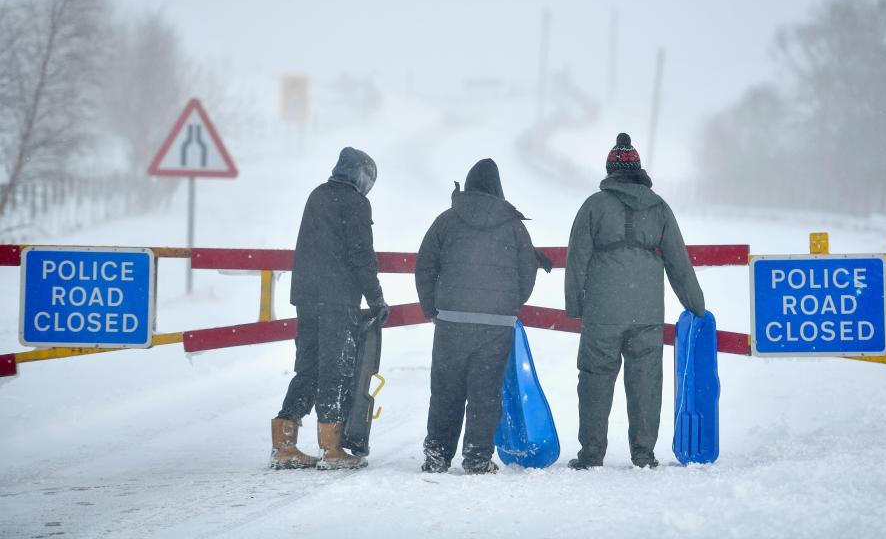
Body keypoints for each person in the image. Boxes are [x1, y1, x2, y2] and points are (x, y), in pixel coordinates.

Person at [565, 133, 705, 470]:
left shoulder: (594, 206)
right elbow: (678, 262)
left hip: (603, 311)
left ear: (610, 170)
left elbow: (577, 257)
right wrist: (696, 305)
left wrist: (575, 305)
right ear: (638, 169)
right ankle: (643, 453)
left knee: (595, 378)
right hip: (646, 312)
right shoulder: (658, 208)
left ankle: (591, 454)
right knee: (645, 380)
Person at [415, 158, 539, 475]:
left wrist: (432, 308)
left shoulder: (446, 221)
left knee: (445, 390)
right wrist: (508, 306)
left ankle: (437, 455)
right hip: (494, 324)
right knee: (486, 392)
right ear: (497, 188)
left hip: (451, 321)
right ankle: (476, 457)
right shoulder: (513, 226)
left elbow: (425, 266)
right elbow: (527, 273)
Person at [270, 147, 390, 471]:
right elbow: (362, 256)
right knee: (335, 371)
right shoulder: (356, 204)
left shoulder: (317, 196)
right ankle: (332, 448)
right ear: (362, 177)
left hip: (306, 297)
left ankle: (284, 444)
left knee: (307, 368)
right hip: (337, 298)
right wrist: (376, 298)